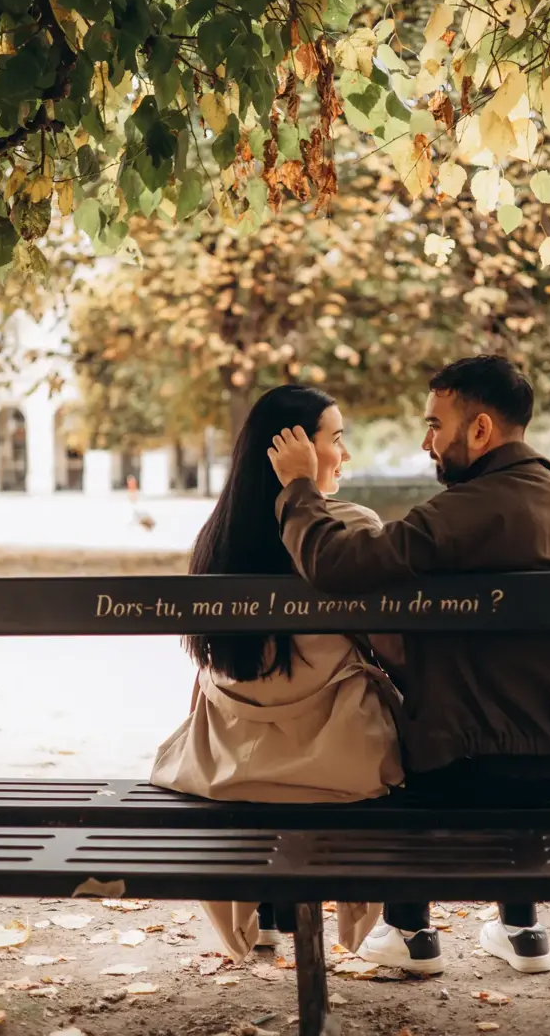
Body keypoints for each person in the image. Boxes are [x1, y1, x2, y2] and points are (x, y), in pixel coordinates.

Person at [267, 355, 550, 976]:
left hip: (476, 775)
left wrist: (299, 489)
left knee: (390, 745)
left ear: (481, 429)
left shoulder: (467, 511)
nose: (426, 442)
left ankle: (409, 929)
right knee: (497, 699)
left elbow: (337, 565)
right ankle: (521, 927)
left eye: (435, 425)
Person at [151, 384, 404, 963]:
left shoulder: (218, 541)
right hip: (337, 762)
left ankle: (265, 912)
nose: (345, 454)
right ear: (294, 450)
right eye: (336, 439)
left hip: (230, 765)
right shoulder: (348, 528)